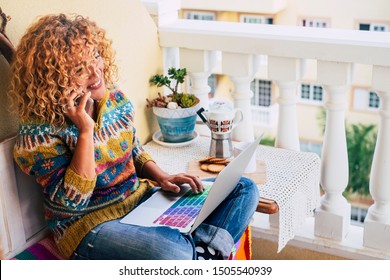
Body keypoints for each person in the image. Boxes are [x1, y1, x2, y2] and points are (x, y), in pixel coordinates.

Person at [9, 13, 260, 260]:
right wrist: (85, 131)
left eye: (95, 56)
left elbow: (132, 148)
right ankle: (200, 253)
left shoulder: (114, 97)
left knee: (242, 188)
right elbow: (73, 203)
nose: (96, 74)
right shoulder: (38, 132)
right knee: (174, 252)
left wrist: (162, 176)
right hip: (88, 227)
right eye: (79, 69)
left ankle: (203, 254)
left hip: (138, 202)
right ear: (55, 78)